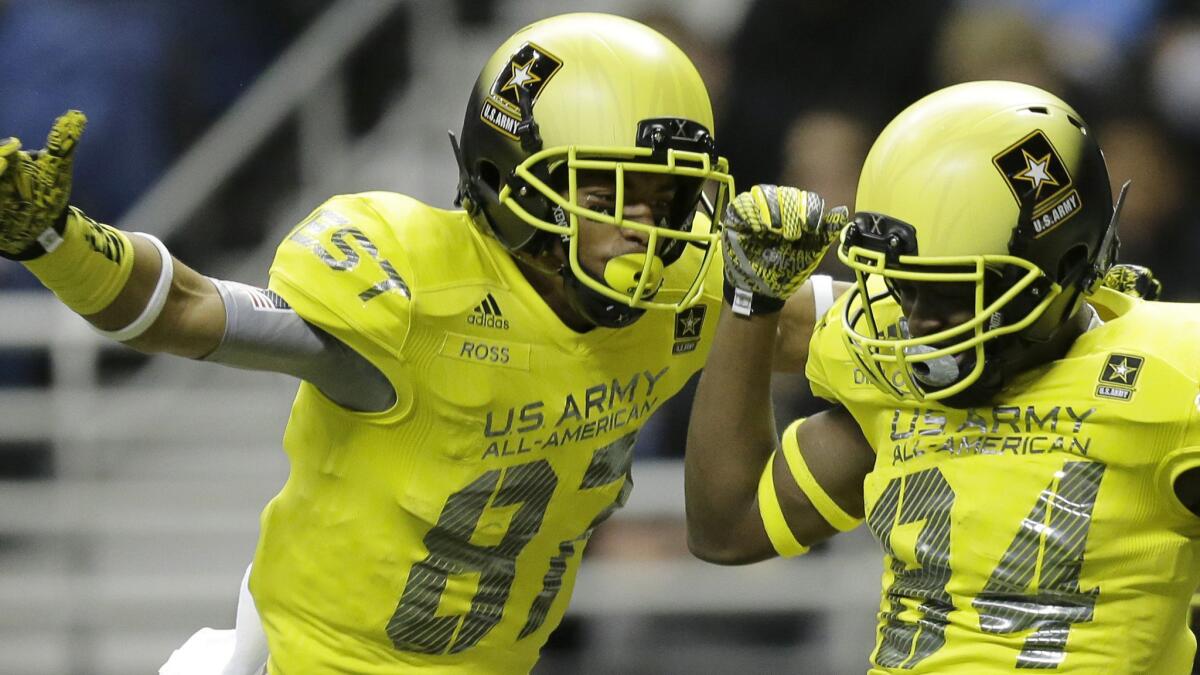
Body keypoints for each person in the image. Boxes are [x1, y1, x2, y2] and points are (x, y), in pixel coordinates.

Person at [0, 12, 827, 673]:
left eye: (666, 196)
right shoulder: (418, 292)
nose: (641, 224)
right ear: (509, 177)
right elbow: (187, 308)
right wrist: (59, 246)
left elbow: (849, 321)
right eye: (608, 190)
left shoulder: (681, 298)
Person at [685, 80, 1200, 672]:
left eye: (954, 292)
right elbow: (727, 527)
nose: (920, 323)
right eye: (905, 286)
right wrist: (751, 297)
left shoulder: (1168, 373)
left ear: (1064, 264)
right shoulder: (892, 363)